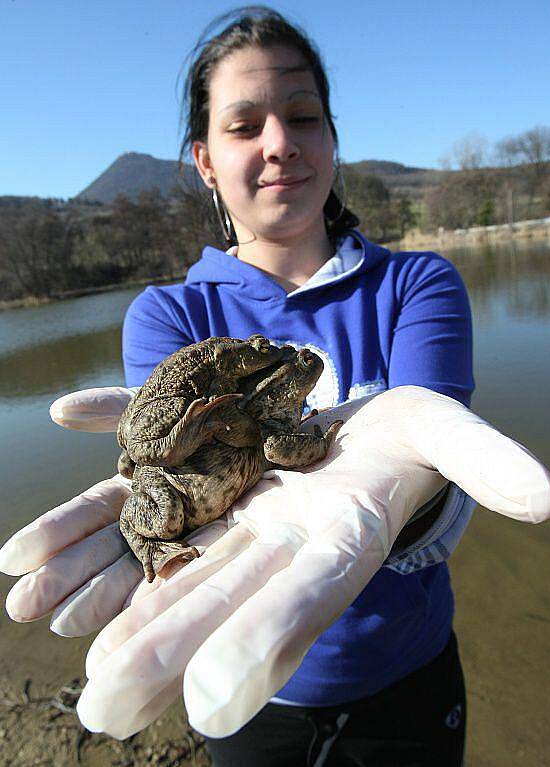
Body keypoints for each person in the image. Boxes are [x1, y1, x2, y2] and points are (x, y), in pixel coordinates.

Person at [119, 7, 473, 765]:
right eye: (245, 125)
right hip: (244, 679)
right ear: (205, 160)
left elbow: (441, 461)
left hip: (406, 671)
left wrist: (401, 492)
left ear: (332, 136)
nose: (280, 143)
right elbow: (169, 465)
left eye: (302, 116)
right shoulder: (170, 316)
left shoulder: (417, 282)